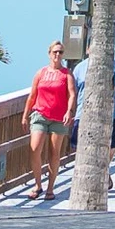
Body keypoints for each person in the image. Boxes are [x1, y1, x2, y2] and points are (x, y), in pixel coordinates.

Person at [23, 40, 77, 200]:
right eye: (55, 52)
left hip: (59, 118)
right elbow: (32, 95)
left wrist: (69, 111)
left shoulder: (66, 74)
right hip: (40, 114)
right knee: (35, 149)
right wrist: (25, 115)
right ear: (49, 54)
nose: (57, 55)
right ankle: (38, 184)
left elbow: (72, 94)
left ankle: (50, 188)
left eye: (60, 52)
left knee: (54, 153)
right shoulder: (41, 73)